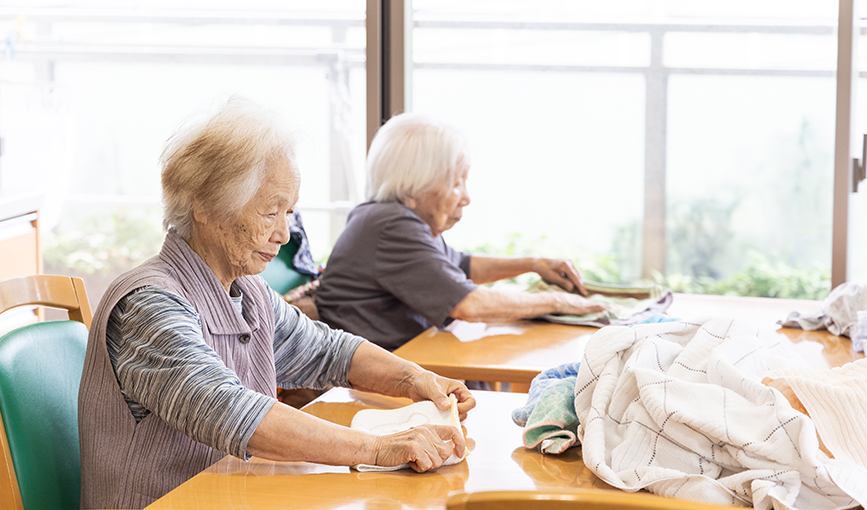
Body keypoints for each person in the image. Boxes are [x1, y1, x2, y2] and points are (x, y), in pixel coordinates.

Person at [77, 98, 474, 509]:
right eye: (270, 212)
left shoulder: (247, 292)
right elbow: (232, 412)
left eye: (290, 212)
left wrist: (414, 379)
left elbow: (328, 352)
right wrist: (376, 449)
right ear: (205, 204)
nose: (284, 235)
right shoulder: (148, 305)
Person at [315, 113, 610, 352]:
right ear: (416, 182)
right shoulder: (391, 226)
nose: (466, 197)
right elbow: (471, 304)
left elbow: (462, 266)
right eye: (456, 182)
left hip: (408, 358)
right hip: (375, 382)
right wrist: (559, 303)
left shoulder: (391, 218)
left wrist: (533, 264)